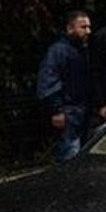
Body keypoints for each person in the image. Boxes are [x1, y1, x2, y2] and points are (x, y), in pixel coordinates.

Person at [36, 10, 98, 163]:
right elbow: (47, 82)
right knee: (70, 157)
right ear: (70, 28)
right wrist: (57, 110)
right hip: (70, 113)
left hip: (82, 113)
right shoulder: (59, 51)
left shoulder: (81, 50)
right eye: (83, 27)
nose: (88, 31)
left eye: (88, 27)